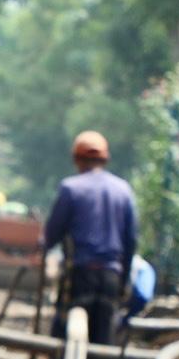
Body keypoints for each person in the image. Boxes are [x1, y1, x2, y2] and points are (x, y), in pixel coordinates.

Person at [41, 131, 138, 346]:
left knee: (65, 337)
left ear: (77, 159)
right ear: (105, 159)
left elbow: (52, 234)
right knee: (103, 339)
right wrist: (123, 281)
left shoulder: (70, 188)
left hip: (79, 276)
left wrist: (43, 248)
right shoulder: (123, 191)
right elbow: (131, 241)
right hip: (111, 277)